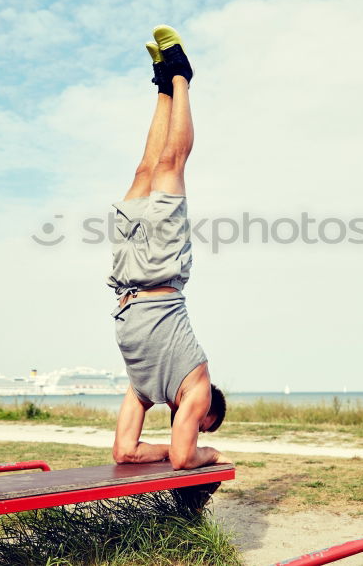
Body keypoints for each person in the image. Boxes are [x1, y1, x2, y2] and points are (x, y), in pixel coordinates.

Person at [108, 25, 230, 470]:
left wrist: (161, 450)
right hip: (160, 270)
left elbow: (124, 451)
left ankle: (162, 87)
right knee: (170, 164)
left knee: (145, 169)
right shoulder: (197, 383)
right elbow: (183, 458)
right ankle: (182, 76)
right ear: (207, 408)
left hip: (125, 280)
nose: (195, 425)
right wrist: (209, 453)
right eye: (203, 425)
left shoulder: (144, 388)